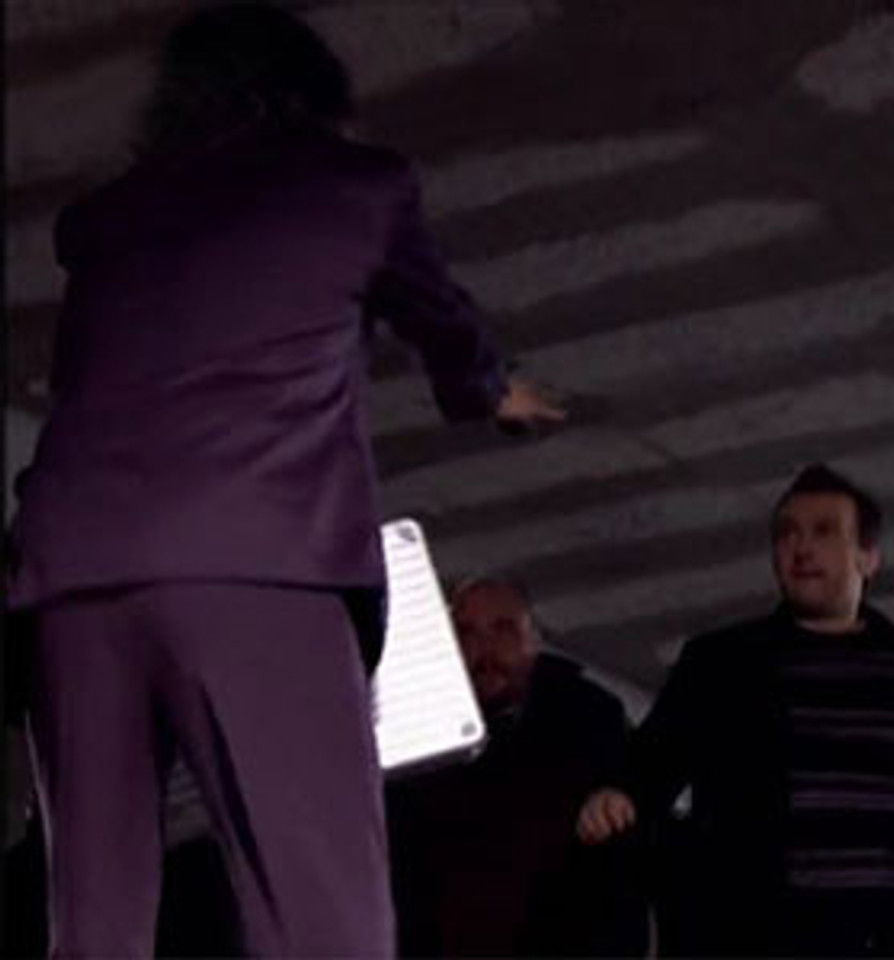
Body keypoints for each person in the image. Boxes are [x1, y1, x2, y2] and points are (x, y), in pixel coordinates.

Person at [5, 4, 564, 956]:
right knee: (321, 919)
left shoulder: (108, 219)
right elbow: (442, 325)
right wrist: (489, 391)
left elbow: (87, 386)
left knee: (94, 927)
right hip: (256, 564)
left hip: (72, 579)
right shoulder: (355, 185)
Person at [578, 463, 894, 957]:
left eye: (824, 532)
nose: (802, 547)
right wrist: (619, 793)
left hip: (893, 937)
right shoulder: (723, 662)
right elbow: (659, 753)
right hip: (761, 936)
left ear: (868, 558)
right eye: (787, 534)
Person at [385, 577, 648, 957]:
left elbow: (624, 834)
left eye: (504, 629)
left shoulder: (588, 717)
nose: (484, 649)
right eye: (466, 633)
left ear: (533, 640)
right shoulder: (421, 727)